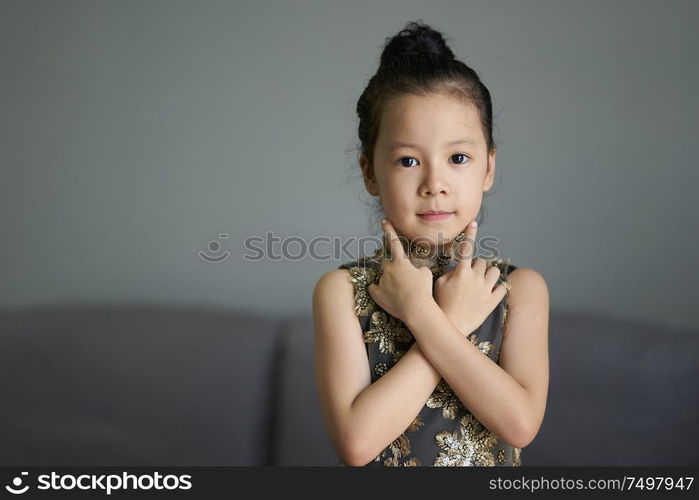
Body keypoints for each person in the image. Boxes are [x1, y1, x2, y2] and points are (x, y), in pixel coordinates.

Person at [313, 20, 549, 467]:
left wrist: (425, 315)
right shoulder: (341, 292)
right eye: (407, 160)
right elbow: (356, 445)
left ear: (488, 168)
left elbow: (519, 425)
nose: (435, 183)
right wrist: (447, 321)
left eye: (458, 158)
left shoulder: (520, 291)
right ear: (369, 172)